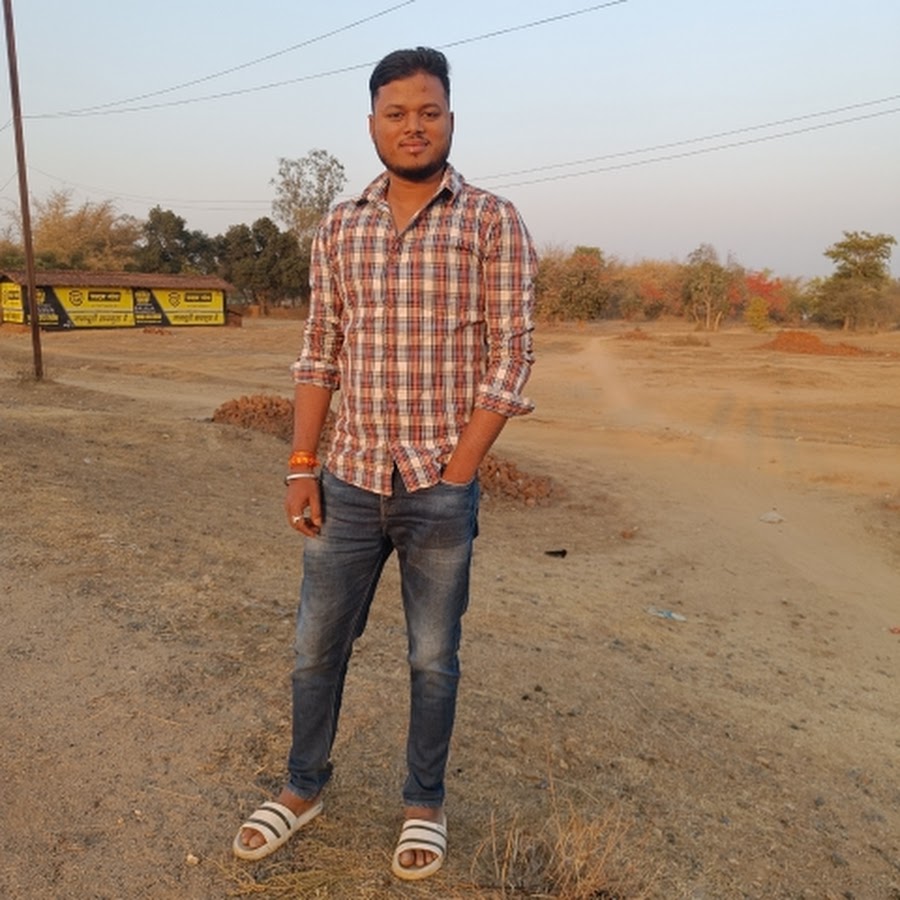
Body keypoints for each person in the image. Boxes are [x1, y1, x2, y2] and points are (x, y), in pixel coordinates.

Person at [233, 46, 537, 881]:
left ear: (450, 120)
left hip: (439, 487)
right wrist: (302, 465)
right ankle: (302, 788)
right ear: (372, 124)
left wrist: (461, 470)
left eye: (428, 112)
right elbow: (318, 353)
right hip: (348, 479)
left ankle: (423, 803)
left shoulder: (491, 221)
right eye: (396, 113)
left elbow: (512, 355)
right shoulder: (341, 226)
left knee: (432, 657)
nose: (413, 127)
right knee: (315, 648)